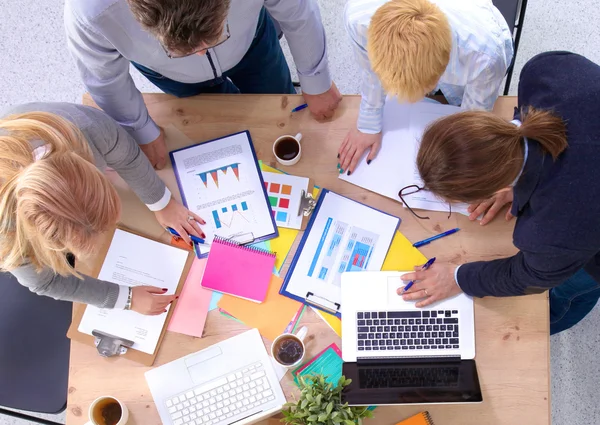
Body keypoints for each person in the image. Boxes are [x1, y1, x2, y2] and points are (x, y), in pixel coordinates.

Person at [399, 51, 600, 335]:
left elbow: (529, 277)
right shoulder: (544, 73)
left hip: (588, 247)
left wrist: (458, 277)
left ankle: (556, 318)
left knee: (571, 289)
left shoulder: (551, 233)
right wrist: (513, 177)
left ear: (489, 189)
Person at [64, 0, 342, 169]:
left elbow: (298, 12)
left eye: (214, 35)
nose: (200, 53)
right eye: (184, 49)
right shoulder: (91, 12)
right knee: (218, 127)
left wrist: (315, 78)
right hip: (170, 74)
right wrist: (140, 129)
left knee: (278, 100)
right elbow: (104, 78)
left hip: (252, 42)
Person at [0, 102, 204, 315]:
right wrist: (124, 299)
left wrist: (161, 203)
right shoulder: (7, 239)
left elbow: (125, 155)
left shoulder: (86, 128)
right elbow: (45, 283)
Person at [339, 0, 513, 174]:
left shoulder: (487, 58)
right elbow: (371, 74)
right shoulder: (357, 18)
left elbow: (473, 116)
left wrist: (461, 147)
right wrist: (368, 125)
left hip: (475, 52)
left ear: (441, 71)